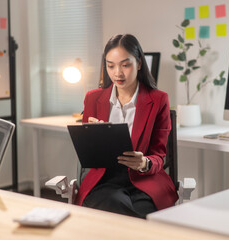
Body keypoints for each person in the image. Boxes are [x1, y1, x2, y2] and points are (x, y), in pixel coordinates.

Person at [75, 34, 178, 218]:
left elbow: (159, 156)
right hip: (104, 180)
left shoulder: (158, 100)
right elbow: (88, 156)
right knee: (113, 203)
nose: (117, 73)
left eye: (125, 65)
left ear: (139, 63)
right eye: (110, 65)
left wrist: (144, 163)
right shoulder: (93, 98)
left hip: (144, 180)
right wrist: (95, 136)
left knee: (120, 211)